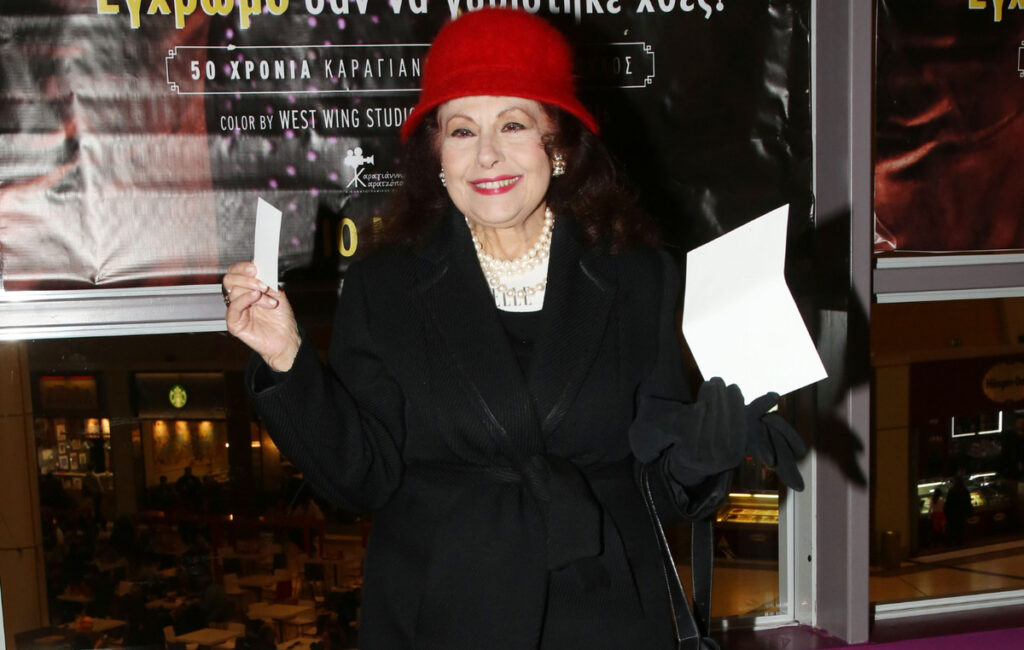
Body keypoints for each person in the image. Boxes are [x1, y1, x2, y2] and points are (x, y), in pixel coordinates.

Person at [222, 9, 806, 649]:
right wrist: (287, 358)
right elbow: (361, 478)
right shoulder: (384, 286)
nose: (487, 154)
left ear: (557, 144)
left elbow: (654, 484)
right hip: (440, 615)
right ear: (437, 153)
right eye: (462, 130)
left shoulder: (639, 279)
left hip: (604, 614)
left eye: (513, 124)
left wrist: (697, 462)